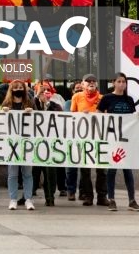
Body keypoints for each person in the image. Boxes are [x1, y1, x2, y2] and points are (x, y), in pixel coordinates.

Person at [97, 72, 139, 212]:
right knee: (112, 170)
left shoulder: (129, 100)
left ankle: (132, 200)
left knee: (128, 170)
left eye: (124, 82)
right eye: (119, 81)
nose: (122, 84)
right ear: (113, 83)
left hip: (126, 140)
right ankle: (112, 199)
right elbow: (98, 115)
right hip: (112, 139)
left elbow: (132, 119)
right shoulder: (107, 98)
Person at [70, 73, 108, 206]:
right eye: (88, 81)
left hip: (99, 138)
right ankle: (88, 196)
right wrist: (81, 116)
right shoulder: (76, 97)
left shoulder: (103, 98)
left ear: (96, 84)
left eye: (93, 81)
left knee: (101, 170)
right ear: (83, 84)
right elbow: (72, 117)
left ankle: (102, 197)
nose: (91, 83)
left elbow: (108, 117)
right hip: (83, 138)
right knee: (85, 170)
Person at [1, 80, 35, 211]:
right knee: (13, 174)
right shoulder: (7, 103)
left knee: (27, 173)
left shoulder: (29, 102)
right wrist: (3, 112)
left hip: (27, 143)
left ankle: (28, 199)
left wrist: (32, 112)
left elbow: (39, 120)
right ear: (11, 90)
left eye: (21, 87)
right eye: (16, 87)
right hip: (12, 143)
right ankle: (13, 199)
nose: (19, 89)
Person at [33, 81, 61, 206]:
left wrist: (47, 103)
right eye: (42, 91)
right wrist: (37, 97)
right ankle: (27, 195)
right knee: (33, 172)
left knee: (50, 173)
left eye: (47, 91)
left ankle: (50, 197)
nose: (44, 93)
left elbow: (59, 117)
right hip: (35, 145)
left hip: (50, 145)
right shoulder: (33, 105)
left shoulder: (55, 105)